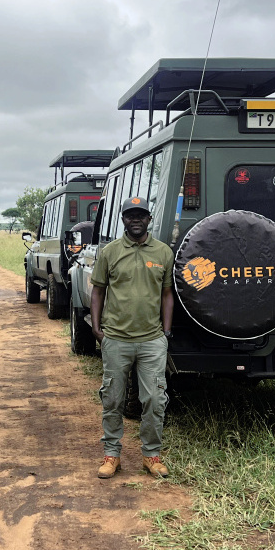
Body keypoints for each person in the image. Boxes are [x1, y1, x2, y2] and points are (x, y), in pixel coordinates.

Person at [90, 197, 174, 479]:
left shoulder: (163, 252)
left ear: (149, 219)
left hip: (152, 340)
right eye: (130, 215)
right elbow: (98, 290)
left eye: (141, 215)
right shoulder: (110, 252)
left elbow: (166, 294)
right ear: (123, 219)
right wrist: (97, 328)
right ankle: (111, 455)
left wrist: (166, 331)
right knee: (112, 398)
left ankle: (151, 456)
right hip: (116, 338)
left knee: (154, 399)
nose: (135, 220)